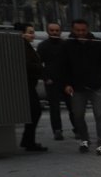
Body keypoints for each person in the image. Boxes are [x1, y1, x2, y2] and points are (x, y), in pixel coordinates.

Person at [61, 19, 101, 156]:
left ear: (88, 29)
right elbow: (63, 66)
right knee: (78, 116)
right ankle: (84, 140)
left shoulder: (98, 44)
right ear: (73, 30)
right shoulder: (67, 46)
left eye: (83, 30)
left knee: (100, 115)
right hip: (77, 87)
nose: (81, 33)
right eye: (77, 30)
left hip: (97, 86)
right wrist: (66, 84)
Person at [16, 23, 48, 152]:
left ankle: (28, 140)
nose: (32, 35)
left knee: (34, 112)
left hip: (29, 83)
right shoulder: (22, 47)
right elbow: (27, 65)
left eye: (33, 32)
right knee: (35, 111)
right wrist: (40, 68)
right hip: (26, 84)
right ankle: (28, 141)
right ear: (21, 33)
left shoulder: (25, 46)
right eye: (30, 32)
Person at [36, 21, 68, 141]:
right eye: (52, 30)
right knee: (54, 107)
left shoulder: (65, 45)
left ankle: (77, 129)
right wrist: (45, 78)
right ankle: (57, 130)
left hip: (66, 81)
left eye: (56, 30)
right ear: (47, 31)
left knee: (72, 106)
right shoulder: (43, 46)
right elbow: (39, 65)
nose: (54, 33)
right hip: (51, 81)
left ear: (60, 32)